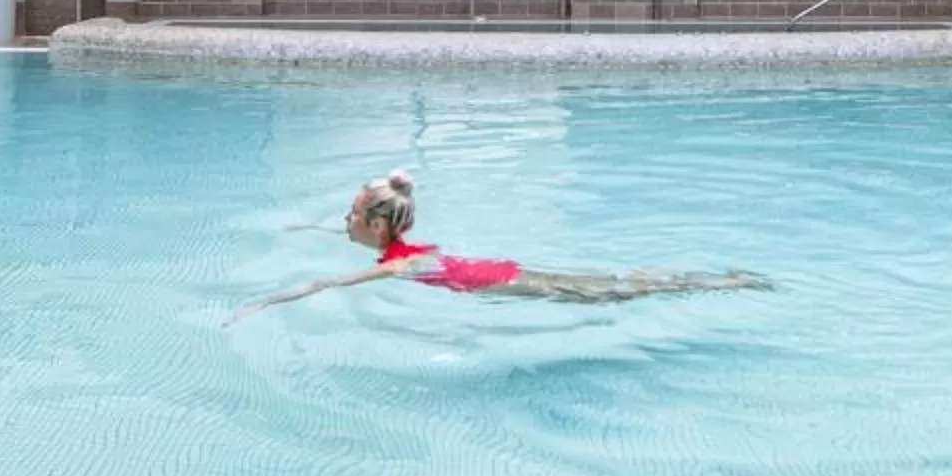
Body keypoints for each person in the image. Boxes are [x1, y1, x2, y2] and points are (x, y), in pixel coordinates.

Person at [227, 170, 767, 323]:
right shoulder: (404, 249)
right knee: (612, 285)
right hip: (507, 271)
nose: (341, 220)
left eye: (349, 214)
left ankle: (720, 282)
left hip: (517, 284)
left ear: (375, 225)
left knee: (619, 295)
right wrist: (306, 231)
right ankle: (694, 278)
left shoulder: (399, 267)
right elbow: (339, 247)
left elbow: (331, 281)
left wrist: (264, 302)